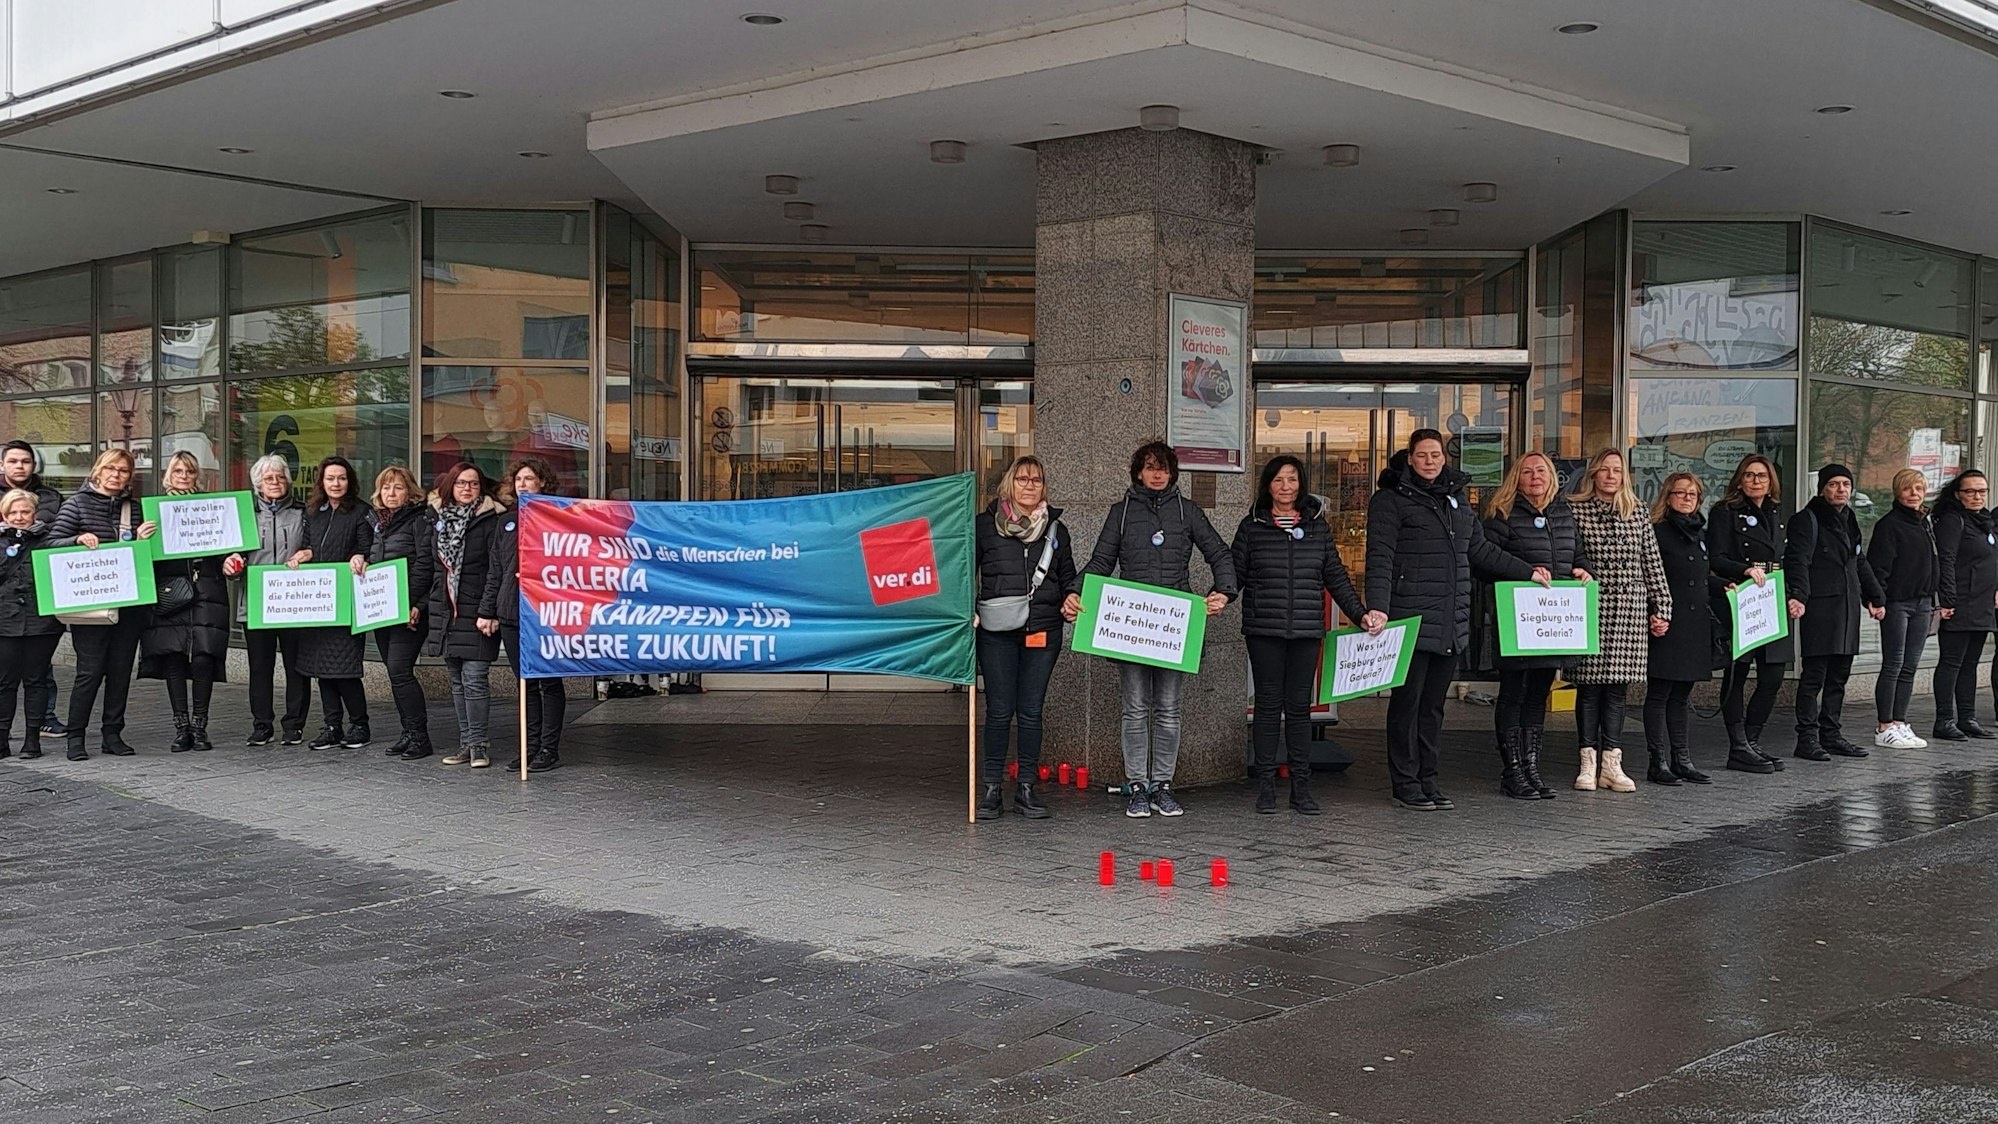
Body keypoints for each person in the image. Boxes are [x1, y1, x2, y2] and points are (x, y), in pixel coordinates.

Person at [1366, 431, 1548, 811]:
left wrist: (1527, 572)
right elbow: (1380, 558)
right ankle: (1406, 783)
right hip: (1409, 618)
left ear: (1444, 458)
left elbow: (1479, 550)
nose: (1429, 461)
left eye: (1435, 455)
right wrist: (1378, 608)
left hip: (1450, 620)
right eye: (1422, 455)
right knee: (1407, 705)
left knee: (1433, 707)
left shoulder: (1457, 500)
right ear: (1410, 458)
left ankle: (1429, 780)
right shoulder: (1390, 500)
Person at [1066, 440, 1237, 819]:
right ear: (1138, 473)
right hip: (1132, 626)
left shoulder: (1188, 511)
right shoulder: (1122, 512)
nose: (1157, 474)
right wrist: (1074, 592)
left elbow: (1220, 554)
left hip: (1175, 628)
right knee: (1134, 710)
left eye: (1163, 468)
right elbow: (1101, 561)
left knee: (1169, 710)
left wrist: (1223, 591)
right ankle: (1138, 787)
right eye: (1149, 467)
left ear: (1172, 473)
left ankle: (1163, 785)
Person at [1232, 455, 1375, 815]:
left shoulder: (1316, 527)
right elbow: (1234, 575)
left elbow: (1336, 576)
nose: (1286, 487)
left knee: (1299, 709)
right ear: (1267, 485)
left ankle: (1301, 787)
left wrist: (1359, 614)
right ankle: (1266, 786)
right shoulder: (1251, 526)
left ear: (1301, 484)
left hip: (1306, 630)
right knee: (1267, 706)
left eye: (1292, 479)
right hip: (1264, 629)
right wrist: (1216, 597)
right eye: (1278, 480)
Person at [973, 455, 1080, 819]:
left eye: (1036, 480)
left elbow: (1069, 578)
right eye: (1022, 479)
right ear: (1009, 484)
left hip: (1043, 630)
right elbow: (965, 571)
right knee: (999, 710)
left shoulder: (1056, 530)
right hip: (996, 632)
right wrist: (968, 608)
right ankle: (991, 788)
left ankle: (1026, 788)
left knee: (1032, 711)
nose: (1030, 485)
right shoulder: (985, 526)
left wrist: (1071, 597)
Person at [1481, 450, 1588, 800]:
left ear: (1552, 476)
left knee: (1538, 695)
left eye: (1541, 471)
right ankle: (1512, 771)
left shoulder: (1563, 513)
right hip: (1518, 619)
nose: (1535, 477)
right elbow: (1484, 561)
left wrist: (1583, 570)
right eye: (1527, 472)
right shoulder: (1502, 514)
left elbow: (1577, 552)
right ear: (1516, 478)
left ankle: (1532, 768)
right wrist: (1524, 572)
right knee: (1514, 693)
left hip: (1552, 622)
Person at [1566, 449, 1671, 792]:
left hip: (1629, 609)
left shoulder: (1637, 511)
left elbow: (1651, 562)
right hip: (1591, 606)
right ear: (1593, 473)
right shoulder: (1575, 509)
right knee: (1588, 688)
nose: (1611, 476)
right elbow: (1568, 555)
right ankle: (1587, 762)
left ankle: (1611, 762)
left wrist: (1662, 606)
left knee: (1616, 689)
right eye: (1605, 469)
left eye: (1617, 470)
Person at [47, 448, 151, 760]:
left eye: (123, 470)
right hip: (91, 604)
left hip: (128, 603)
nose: (116, 475)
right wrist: (76, 540)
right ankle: (76, 737)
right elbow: (50, 544)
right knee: (89, 672)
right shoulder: (76, 504)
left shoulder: (134, 508)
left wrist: (142, 539)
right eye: (111, 469)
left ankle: (112, 734)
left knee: (120, 672)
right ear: (98, 471)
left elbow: (143, 554)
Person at [1708, 454, 1805, 773]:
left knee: (1773, 675)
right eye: (1749, 475)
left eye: (1762, 476)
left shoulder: (1778, 512)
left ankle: (1752, 740)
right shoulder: (1725, 512)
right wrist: (1744, 570)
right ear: (1739, 480)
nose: (1755, 481)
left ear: (1771, 481)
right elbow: (1716, 558)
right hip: (1742, 596)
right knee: (1737, 674)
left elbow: (1792, 558)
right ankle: (1738, 745)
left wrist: (1797, 595)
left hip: (1773, 597)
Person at [1784, 463, 1886, 762]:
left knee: (1839, 675)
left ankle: (1831, 734)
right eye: (1833, 484)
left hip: (1847, 606)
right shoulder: (1807, 519)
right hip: (1820, 606)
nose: (1840, 489)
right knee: (1814, 676)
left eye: (1845, 484)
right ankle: (1807, 738)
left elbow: (1858, 560)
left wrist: (1875, 596)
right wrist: (1798, 595)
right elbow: (1798, 560)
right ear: (1822, 489)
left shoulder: (1849, 518)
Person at [137, 452, 232, 754]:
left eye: (189, 471)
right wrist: (141, 539)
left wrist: (231, 558)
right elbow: (142, 559)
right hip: (170, 591)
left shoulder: (211, 508)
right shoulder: (153, 511)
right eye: (178, 471)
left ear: (196, 475)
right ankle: (181, 728)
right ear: (169, 474)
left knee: (204, 657)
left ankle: (200, 726)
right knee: (174, 657)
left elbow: (227, 545)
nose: (183, 476)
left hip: (206, 589)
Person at [482, 458, 566, 773]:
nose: (523, 484)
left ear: (542, 482)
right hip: (512, 611)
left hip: (545, 612)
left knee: (549, 682)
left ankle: (549, 748)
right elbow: (495, 570)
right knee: (525, 683)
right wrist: (488, 610)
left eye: (529, 479)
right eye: (518, 479)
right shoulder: (506, 522)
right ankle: (528, 747)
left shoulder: (559, 518)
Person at [1646, 473, 1727, 785]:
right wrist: (1653, 613)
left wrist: (1726, 585)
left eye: (1692, 494)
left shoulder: (1700, 533)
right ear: (1668, 497)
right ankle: (1658, 761)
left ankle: (1682, 758)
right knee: (1660, 693)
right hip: (1667, 622)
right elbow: (1648, 577)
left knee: (1681, 695)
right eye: (1680, 493)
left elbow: (1701, 578)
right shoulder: (1657, 532)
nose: (1686, 499)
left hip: (1695, 625)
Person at [225, 454, 310, 746]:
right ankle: (262, 725)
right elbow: (234, 555)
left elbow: (314, 548)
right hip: (256, 604)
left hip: (294, 602)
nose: (275, 482)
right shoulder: (245, 514)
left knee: (296, 667)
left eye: (280, 477)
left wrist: (308, 555)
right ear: (258, 484)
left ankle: (294, 725)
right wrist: (231, 565)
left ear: (288, 481)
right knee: (260, 668)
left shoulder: (303, 512)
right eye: (268, 478)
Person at [426, 461, 506, 768]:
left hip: (479, 611)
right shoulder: (437, 518)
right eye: (461, 483)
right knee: (457, 681)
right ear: (451, 486)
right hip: (447, 611)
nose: (467, 488)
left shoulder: (491, 520)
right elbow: (432, 567)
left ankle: (479, 746)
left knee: (474, 678)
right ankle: (466, 743)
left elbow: (496, 570)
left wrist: (490, 611)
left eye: (473, 483)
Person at [291, 456, 374, 750]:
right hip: (318, 602)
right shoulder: (313, 511)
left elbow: (368, 548)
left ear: (349, 480)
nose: (336, 483)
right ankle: (332, 726)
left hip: (346, 601)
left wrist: (361, 556)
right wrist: (304, 554)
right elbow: (312, 545)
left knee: (345, 668)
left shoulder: (362, 511)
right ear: (322, 482)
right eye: (330, 478)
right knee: (322, 669)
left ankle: (359, 724)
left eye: (341, 478)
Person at [1865, 468, 1940, 747]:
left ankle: (1899, 721)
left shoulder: (1925, 523)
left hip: (1923, 602)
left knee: (1910, 666)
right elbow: (1879, 566)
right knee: (1893, 664)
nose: (1914, 494)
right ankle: (1884, 726)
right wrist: (1877, 599)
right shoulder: (1889, 525)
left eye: (1919, 489)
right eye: (1908, 488)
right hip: (1897, 603)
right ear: (1898, 491)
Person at [366, 465, 437, 761]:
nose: (391, 493)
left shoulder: (420, 519)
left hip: (409, 610)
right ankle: (407, 732)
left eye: (398, 487)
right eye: (386, 487)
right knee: (394, 673)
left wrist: (413, 604)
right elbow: (372, 558)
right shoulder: (378, 522)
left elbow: (424, 566)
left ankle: (420, 737)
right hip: (383, 609)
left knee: (399, 670)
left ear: (410, 491)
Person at [2, 440, 65, 738]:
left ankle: (44, 719)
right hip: (5, 600)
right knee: (5, 677)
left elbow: (63, 533)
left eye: (25, 461)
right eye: (13, 461)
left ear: (33, 465)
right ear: (2, 465)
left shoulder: (52, 497)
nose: (19, 466)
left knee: (39, 673)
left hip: (39, 597)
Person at [1932, 470, 1998, 740]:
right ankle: (1944, 719)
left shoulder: (1985, 522)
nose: (1977, 496)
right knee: (1951, 662)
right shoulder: (1953, 520)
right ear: (1958, 494)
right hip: (1960, 601)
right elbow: (1945, 560)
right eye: (1970, 491)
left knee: (1970, 663)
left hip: (1982, 603)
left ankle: (1967, 717)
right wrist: (1948, 599)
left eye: (1982, 491)